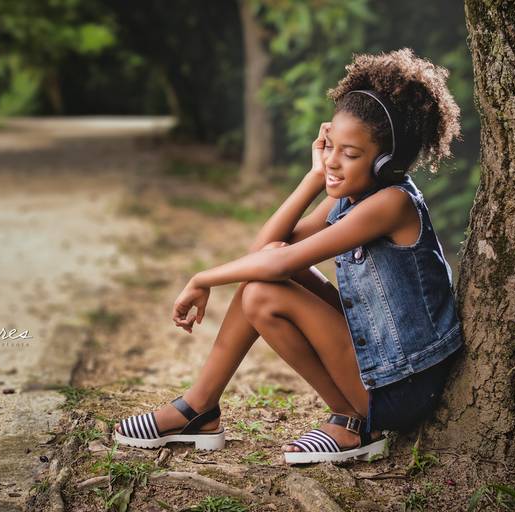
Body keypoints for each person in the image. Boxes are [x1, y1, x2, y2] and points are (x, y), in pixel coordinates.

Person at [113, 48, 465, 464]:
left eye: (350, 155)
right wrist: (314, 176)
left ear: (387, 162)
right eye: (329, 146)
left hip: (403, 384)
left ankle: (352, 423)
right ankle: (200, 408)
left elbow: (274, 265)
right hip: (381, 362)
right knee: (268, 270)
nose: (333, 160)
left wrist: (202, 278)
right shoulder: (352, 196)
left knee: (264, 292)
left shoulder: (391, 204)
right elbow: (267, 251)